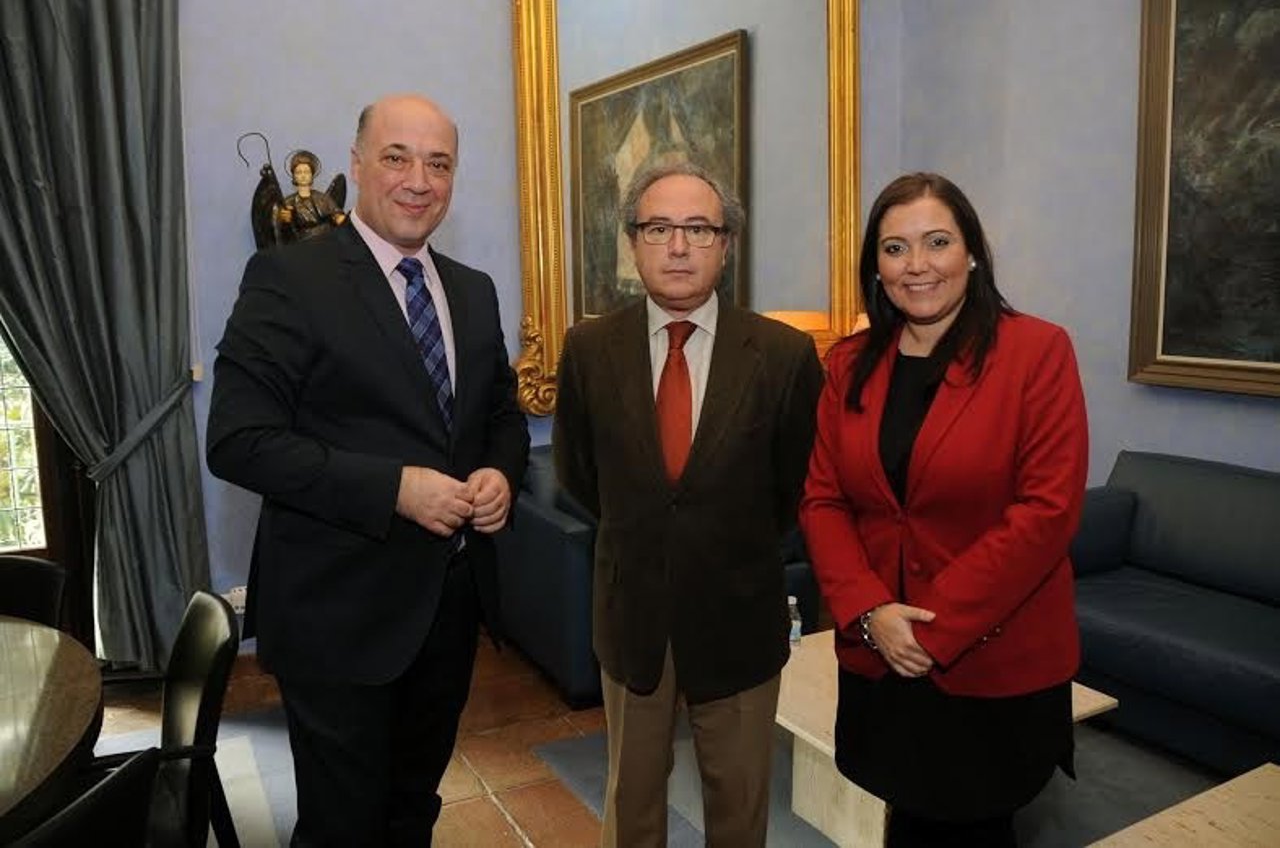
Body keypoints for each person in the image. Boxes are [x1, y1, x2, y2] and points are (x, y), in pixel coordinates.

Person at [207, 94, 529, 847]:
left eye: (438, 163)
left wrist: (501, 476)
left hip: (448, 609)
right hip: (337, 614)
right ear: (356, 167)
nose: (419, 179)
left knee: (412, 809)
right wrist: (394, 489)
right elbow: (238, 440)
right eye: (397, 157)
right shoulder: (288, 277)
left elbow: (501, 418)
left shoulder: (473, 291)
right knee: (343, 827)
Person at [799, 172, 1088, 847]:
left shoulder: (1037, 352)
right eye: (895, 248)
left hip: (986, 659)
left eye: (937, 242)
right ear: (876, 265)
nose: (917, 264)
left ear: (973, 253)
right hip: (880, 655)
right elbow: (823, 497)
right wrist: (870, 612)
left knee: (975, 827)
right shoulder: (847, 364)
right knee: (908, 821)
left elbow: (1045, 513)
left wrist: (930, 628)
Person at [554, 159, 824, 848]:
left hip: (739, 616)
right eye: (658, 227)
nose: (678, 246)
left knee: (739, 807)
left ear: (727, 244)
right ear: (633, 241)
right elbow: (580, 474)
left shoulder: (785, 355)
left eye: (698, 229)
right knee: (632, 803)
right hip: (632, 616)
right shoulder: (588, 349)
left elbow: (798, 486)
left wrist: (723, 544)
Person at [274, 149, 346, 243]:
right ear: (294, 176)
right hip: (302, 245)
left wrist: (346, 222)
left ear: (312, 174)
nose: (303, 176)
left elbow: (338, 217)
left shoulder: (323, 198)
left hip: (325, 242)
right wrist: (285, 221)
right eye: (299, 172)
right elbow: (283, 233)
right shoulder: (288, 202)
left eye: (306, 172)